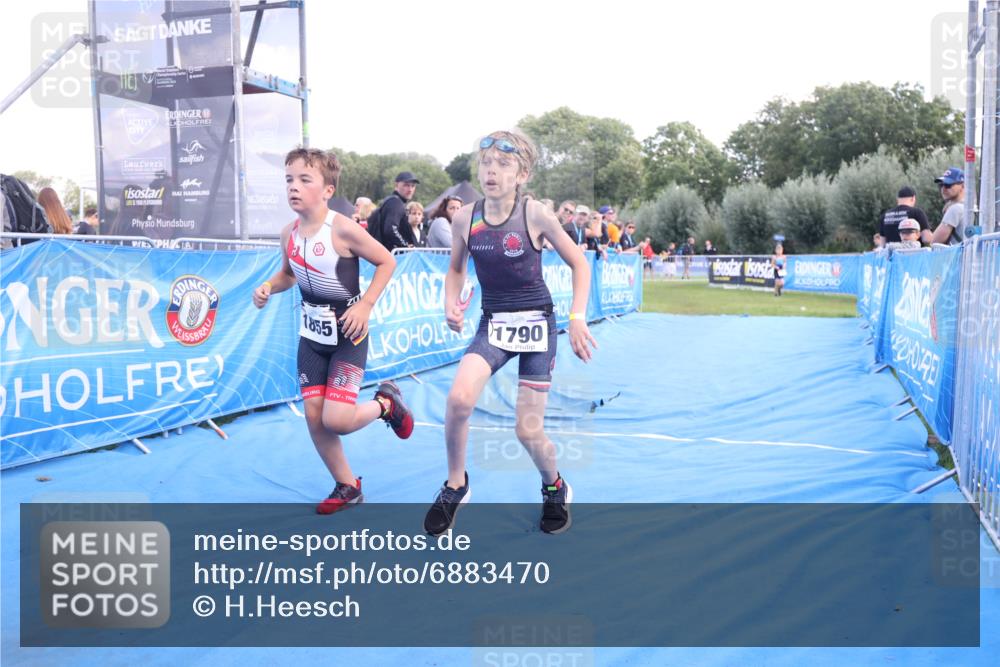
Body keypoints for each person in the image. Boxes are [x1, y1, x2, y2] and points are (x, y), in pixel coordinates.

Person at [424, 130, 598, 536]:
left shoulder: (534, 213)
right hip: (494, 323)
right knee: (458, 399)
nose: (491, 171)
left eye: (503, 165)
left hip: (537, 324)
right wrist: (450, 303)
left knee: (527, 429)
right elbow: (455, 269)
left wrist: (576, 316)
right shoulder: (466, 216)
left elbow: (580, 264)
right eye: (486, 163)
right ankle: (455, 485)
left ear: (521, 174)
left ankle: (555, 486)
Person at [252, 147, 414, 514]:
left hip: (348, 335)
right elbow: (289, 275)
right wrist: (267, 287)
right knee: (314, 417)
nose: (293, 186)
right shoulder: (287, 234)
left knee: (337, 420)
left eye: (304, 179)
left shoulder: (342, 227)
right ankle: (347, 486)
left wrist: (366, 304)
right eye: (289, 179)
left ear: (327, 190)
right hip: (312, 337)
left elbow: (387, 260)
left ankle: (386, 403)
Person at [369, 171, 420, 251]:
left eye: (413, 186)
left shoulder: (393, 201)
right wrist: (406, 246)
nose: (410, 189)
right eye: (406, 185)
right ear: (396, 186)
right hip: (390, 255)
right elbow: (391, 230)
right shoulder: (395, 203)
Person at [931, 167, 968, 246]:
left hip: (958, 257)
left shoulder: (955, 209)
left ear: (962, 186)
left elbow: (934, 241)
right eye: (941, 185)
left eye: (948, 185)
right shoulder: (970, 208)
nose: (943, 189)